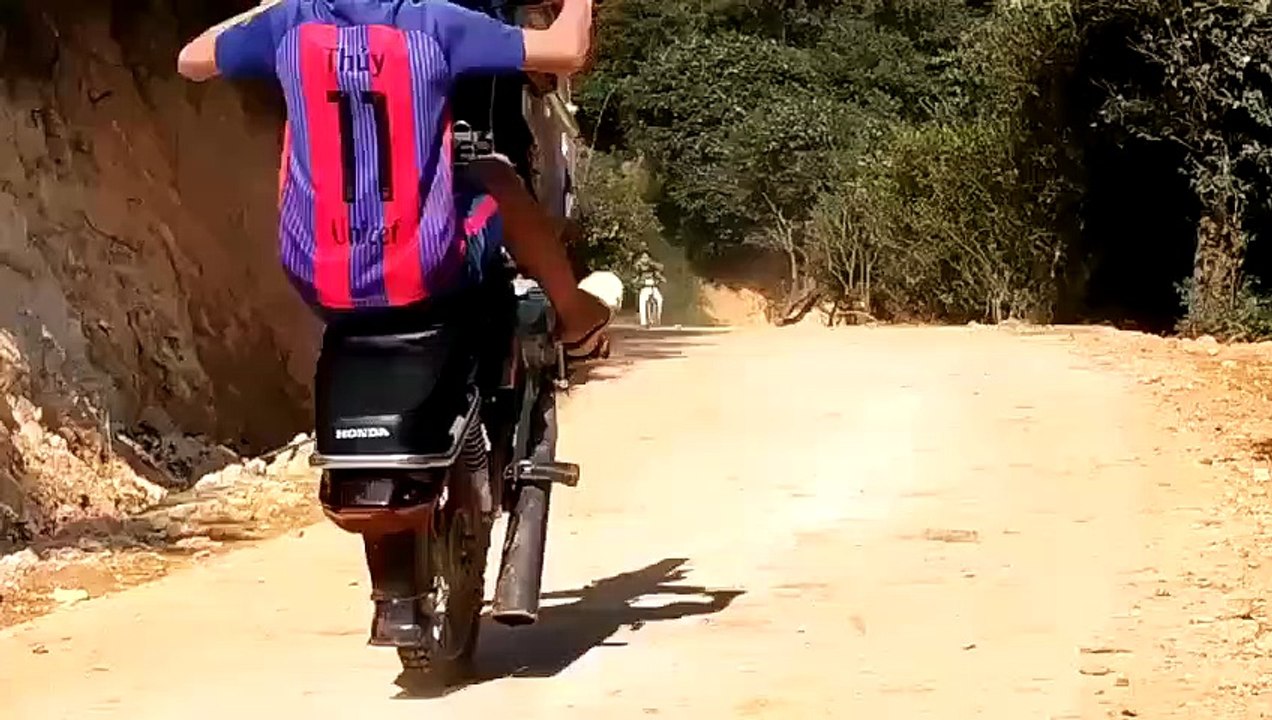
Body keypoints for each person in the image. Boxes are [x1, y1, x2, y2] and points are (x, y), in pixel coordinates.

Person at [175, 0, 611, 357]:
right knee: (495, 176)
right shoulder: (434, 23)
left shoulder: (288, 24)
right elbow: (567, 49)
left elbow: (190, 60)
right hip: (421, 271)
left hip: (315, 276)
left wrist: (267, 10)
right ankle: (575, 315)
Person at [634, 248, 665, 328]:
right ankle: (643, 322)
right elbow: (635, 277)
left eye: (646, 257)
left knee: (659, 300)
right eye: (643, 257)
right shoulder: (638, 266)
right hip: (644, 287)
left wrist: (660, 279)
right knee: (642, 301)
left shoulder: (652, 266)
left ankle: (657, 319)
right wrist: (637, 282)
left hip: (653, 286)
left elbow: (660, 270)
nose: (645, 259)